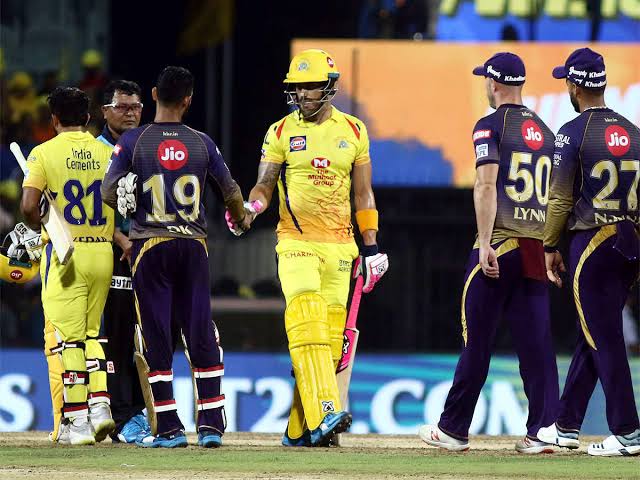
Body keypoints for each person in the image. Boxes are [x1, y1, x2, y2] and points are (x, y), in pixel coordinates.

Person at [238, 49, 389, 447]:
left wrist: (372, 248)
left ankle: (297, 431)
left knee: (329, 344)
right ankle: (325, 411)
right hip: (296, 242)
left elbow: (364, 194)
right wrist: (252, 208)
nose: (303, 94)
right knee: (307, 323)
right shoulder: (280, 132)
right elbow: (264, 185)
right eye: (298, 87)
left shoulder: (354, 130)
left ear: (329, 87)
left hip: (341, 249)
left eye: (311, 86)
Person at [419, 52, 559, 454]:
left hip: (499, 245)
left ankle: (453, 430)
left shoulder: (489, 124)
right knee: (536, 345)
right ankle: (543, 431)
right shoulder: (545, 130)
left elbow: (485, 185)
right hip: (534, 247)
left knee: (477, 341)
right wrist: (550, 244)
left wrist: (485, 243)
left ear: (493, 83)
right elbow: (555, 196)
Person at [101, 66, 248, 448]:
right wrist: (242, 218)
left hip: (150, 246)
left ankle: (168, 428)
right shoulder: (202, 142)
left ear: (153, 95)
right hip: (193, 246)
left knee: (156, 335)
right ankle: (211, 425)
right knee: (199, 330)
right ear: (188, 100)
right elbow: (230, 191)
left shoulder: (133, 141)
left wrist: (130, 200)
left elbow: (108, 191)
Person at [537, 47, 640, 457]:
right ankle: (566, 425)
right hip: (630, 241)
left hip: (593, 242)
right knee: (595, 329)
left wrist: (549, 245)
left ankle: (628, 431)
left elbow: (560, 198)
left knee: (605, 335)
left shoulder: (572, 132)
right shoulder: (634, 132)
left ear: (574, 86)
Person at [16, 87, 116, 445]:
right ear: (87, 118)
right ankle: (101, 405)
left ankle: (77, 420)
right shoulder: (108, 153)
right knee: (92, 333)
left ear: (54, 119)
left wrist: (44, 220)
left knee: (69, 340)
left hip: (65, 253)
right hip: (102, 250)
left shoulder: (43, 153)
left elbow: (29, 207)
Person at [97, 79, 152, 443]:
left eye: (136, 107)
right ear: (105, 111)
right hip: (112, 254)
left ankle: (138, 409)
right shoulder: (96, 151)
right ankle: (122, 414)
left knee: (143, 334)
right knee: (116, 333)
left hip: (145, 250)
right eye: (122, 107)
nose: (131, 113)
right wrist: (121, 239)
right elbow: (92, 207)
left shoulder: (145, 147)